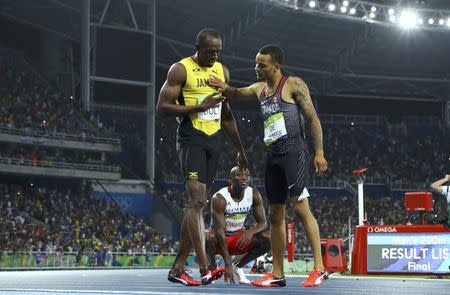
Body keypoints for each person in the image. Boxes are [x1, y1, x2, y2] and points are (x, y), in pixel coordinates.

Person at [209, 44, 328, 287]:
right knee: (275, 216)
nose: (256, 68)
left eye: (261, 64)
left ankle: (320, 268)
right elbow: (235, 93)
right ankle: (277, 273)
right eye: (255, 63)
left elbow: (312, 118)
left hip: (294, 153)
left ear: (276, 66)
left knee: (301, 207)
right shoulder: (259, 89)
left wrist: (319, 152)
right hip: (272, 157)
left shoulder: (293, 84)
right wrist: (224, 88)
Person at [156, 28, 248, 286]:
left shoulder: (222, 71)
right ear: (198, 47)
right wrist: (197, 107)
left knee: (198, 205)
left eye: (218, 52)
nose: (214, 56)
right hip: (191, 138)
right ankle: (206, 266)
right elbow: (162, 107)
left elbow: (227, 114)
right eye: (210, 52)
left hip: (214, 140)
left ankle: (177, 268)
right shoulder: (181, 69)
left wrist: (239, 148)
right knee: (196, 201)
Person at [205, 166, 271, 284]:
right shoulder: (220, 198)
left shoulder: (253, 193)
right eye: (239, 175)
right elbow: (220, 233)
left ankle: (238, 266)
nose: (244, 178)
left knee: (268, 239)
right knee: (207, 236)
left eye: (246, 175)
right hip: (218, 241)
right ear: (230, 180)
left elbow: (263, 223)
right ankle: (212, 269)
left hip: (237, 239)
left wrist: (249, 232)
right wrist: (227, 263)